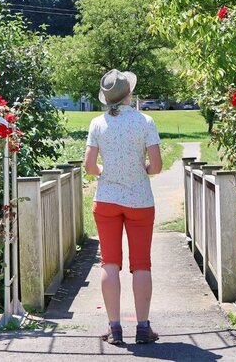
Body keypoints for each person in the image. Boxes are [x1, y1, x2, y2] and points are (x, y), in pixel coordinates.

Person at [84, 69, 163, 345]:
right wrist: (144, 169)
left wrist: (105, 170)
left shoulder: (97, 123)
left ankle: (115, 329)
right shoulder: (145, 122)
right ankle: (143, 328)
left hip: (106, 200)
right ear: (129, 93)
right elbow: (157, 166)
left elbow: (90, 167)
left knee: (109, 262)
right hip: (140, 201)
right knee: (141, 263)